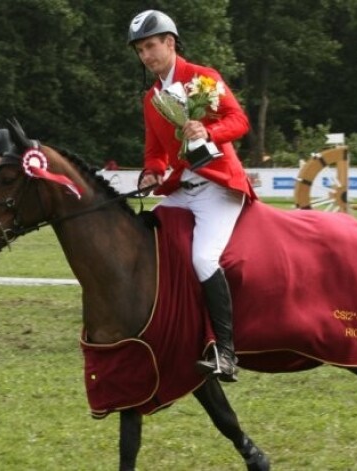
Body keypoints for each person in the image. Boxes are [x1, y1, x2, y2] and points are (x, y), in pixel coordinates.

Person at [128, 10, 257, 382]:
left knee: (203, 258)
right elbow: (154, 151)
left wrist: (208, 130)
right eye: (140, 50)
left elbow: (240, 121)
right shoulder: (151, 98)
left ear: (169, 42)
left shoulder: (203, 78)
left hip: (218, 187)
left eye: (150, 46)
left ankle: (226, 353)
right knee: (148, 234)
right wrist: (151, 172)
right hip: (183, 188)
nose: (146, 56)